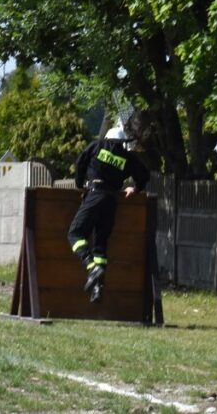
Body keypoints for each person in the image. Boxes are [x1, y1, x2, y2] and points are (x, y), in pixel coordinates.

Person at [67, 126, 150, 303]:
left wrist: (79, 183)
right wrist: (135, 188)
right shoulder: (127, 157)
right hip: (111, 201)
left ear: (107, 138)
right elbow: (144, 175)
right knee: (101, 244)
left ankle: (91, 268)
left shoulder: (97, 146)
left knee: (75, 233)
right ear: (121, 143)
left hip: (95, 194)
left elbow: (80, 162)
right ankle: (98, 288)